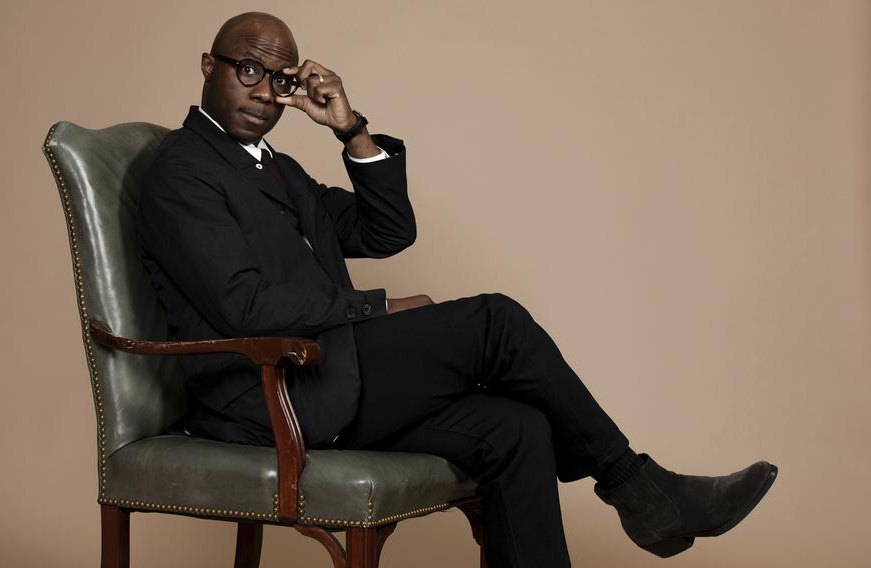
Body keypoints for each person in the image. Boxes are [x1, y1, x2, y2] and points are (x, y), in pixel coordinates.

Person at [136, 11, 778, 567]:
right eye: (247, 70)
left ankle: (644, 498)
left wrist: (351, 129)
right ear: (207, 66)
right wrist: (377, 307)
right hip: (268, 394)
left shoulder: (277, 169)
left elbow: (386, 229)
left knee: (518, 428)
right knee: (495, 322)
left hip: (329, 371)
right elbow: (243, 306)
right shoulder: (183, 171)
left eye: (279, 80)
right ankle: (639, 488)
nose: (264, 94)